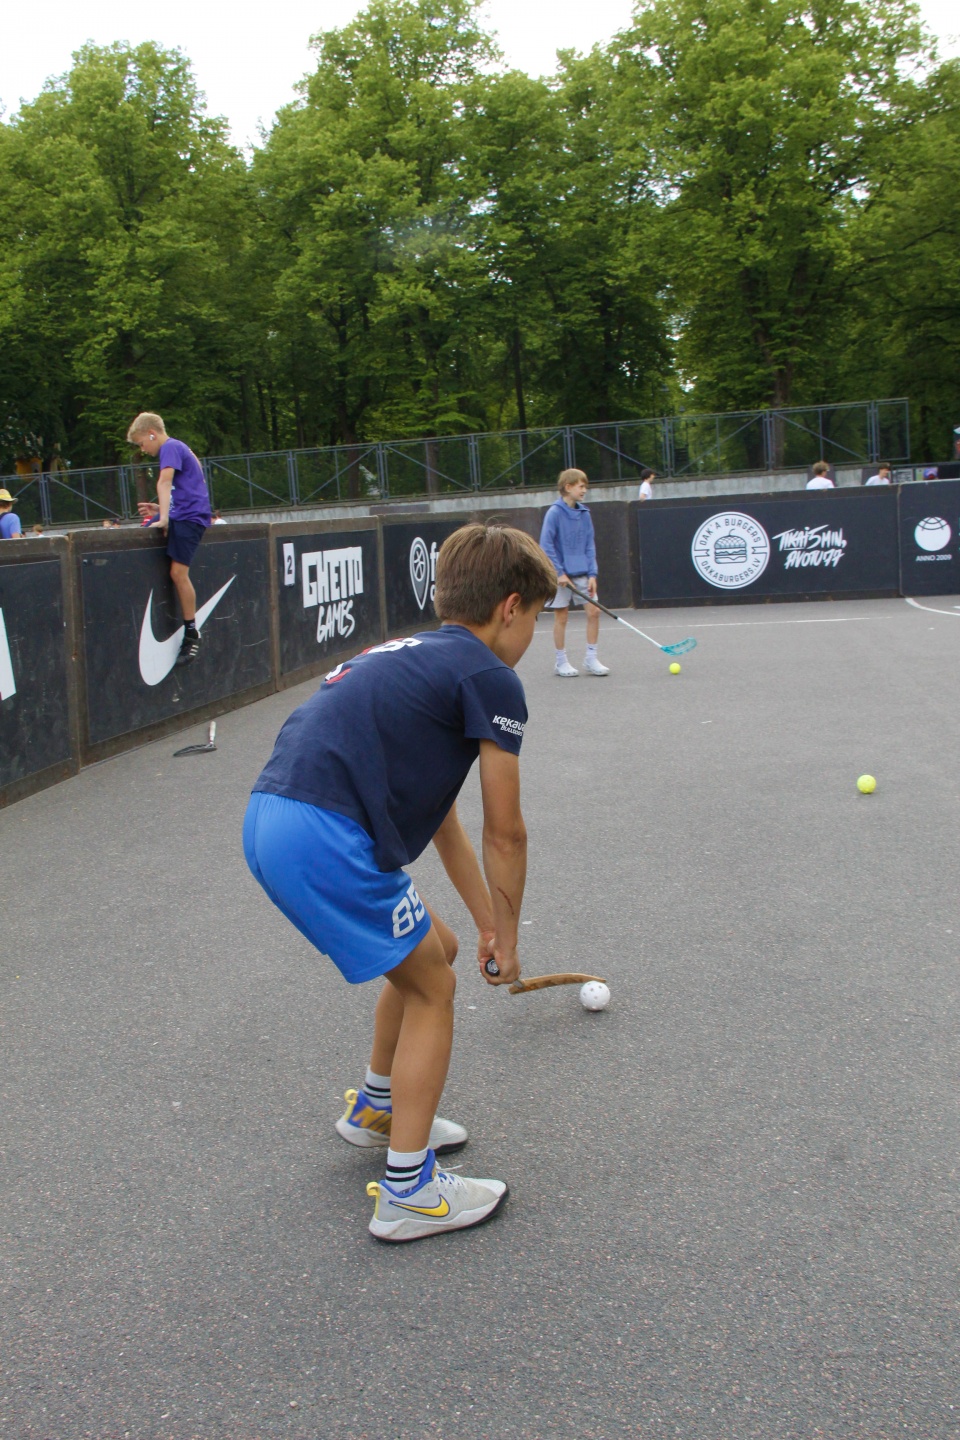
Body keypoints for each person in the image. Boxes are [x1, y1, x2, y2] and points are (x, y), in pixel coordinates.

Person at [243, 524, 557, 1243]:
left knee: (434, 951)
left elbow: (442, 819)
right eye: (537, 618)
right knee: (433, 989)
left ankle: (377, 1109)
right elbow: (505, 832)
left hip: (272, 818)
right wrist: (512, 941)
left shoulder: (413, 656)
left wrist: (486, 925)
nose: (531, 635)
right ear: (510, 607)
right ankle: (409, 1192)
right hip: (322, 833)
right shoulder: (489, 677)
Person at [127, 412, 212, 666]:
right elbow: (187, 485)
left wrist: (165, 517)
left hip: (189, 517)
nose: (143, 449)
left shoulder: (170, 447)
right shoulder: (178, 448)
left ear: (152, 434)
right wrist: (161, 510)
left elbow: (165, 482)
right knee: (147, 525)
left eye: (142, 443)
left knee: (178, 573)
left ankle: (191, 632)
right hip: (183, 512)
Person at [539, 468, 609, 677]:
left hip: (582, 573)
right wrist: (559, 572)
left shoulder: (584, 514)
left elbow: (589, 545)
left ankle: (591, 658)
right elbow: (546, 545)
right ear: (568, 487)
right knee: (561, 617)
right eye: (581, 486)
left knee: (594, 612)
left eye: (585, 486)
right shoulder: (554, 513)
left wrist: (593, 574)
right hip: (560, 576)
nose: (584, 490)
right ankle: (561, 662)